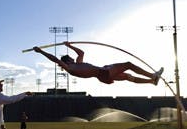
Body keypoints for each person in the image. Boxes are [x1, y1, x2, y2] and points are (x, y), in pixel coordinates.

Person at [33, 42, 164, 85]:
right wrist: (41, 52)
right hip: (103, 72)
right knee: (128, 64)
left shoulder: (77, 64)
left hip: (103, 75)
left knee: (128, 77)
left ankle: (151, 82)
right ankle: (152, 75)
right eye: (71, 58)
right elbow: (55, 59)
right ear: (68, 61)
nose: (74, 58)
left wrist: (70, 45)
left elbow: (81, 53)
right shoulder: (69, 67)